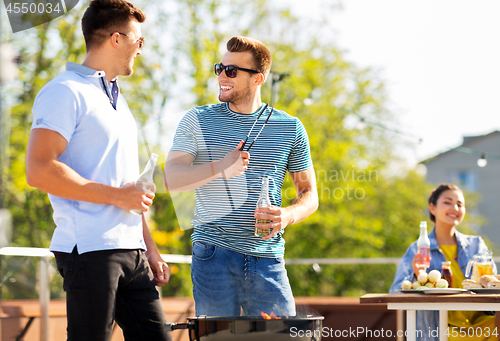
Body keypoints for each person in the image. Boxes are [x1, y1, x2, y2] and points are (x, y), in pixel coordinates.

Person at [25, 1, 172, 340]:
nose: (141, 48)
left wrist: (148, 247)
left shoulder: (118, 101)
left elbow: (129, 190)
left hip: (132, 252)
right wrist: (119, 197)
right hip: (90, 249)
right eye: (139, 40)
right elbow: (39, 169)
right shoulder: (65, 91)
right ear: (116, 39)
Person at [164, 36, 318, 316]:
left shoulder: (290, 127)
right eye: (219, 68)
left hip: (268, 258)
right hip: (213, 254)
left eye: (231, 71)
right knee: (218, 339)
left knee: (282, 338)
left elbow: (309, 195)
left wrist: (287, 216)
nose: (222, 75)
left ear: (258, 79)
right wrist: (221, 166)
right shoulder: (197, 119)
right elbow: (171, 178)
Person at [390, 184, 496, 341]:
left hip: (483, 324)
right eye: (447, 202)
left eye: (460, 204)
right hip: (441, 330)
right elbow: (394, 293)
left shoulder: (476, 245)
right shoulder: (418, 249)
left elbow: (493, 287)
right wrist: (415, 274)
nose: (455, 207)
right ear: (433, 208)